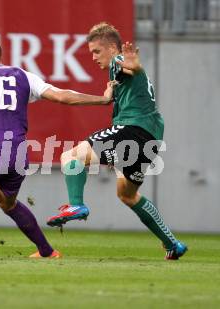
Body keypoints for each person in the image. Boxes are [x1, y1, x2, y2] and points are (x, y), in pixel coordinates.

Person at [0, 34, 113, 258]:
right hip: (17, 157)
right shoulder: (25, 76)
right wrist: (103, 100)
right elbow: (63, 96)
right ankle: (47, 251)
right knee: (6, 202)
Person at [47, 22, 188, 260]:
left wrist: (136, 68)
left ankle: (76, 205)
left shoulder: (119, 61)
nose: (93, 57)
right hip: (149, 137)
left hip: (133, 129)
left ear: (112, 48)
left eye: (96, 51)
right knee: (127, 194)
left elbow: (131, 69)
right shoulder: (117, 75)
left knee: (70, 157)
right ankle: (172, 244)